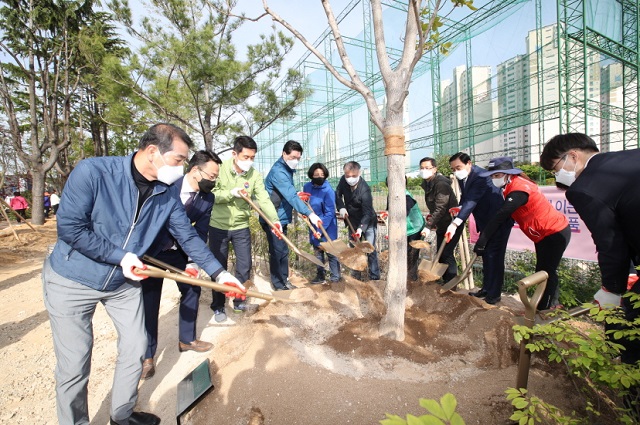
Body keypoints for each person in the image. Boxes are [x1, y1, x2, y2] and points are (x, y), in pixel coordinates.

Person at [42, 123, 245, 425]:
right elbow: (71, 228)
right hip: (73, 279)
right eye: (178, 160)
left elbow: (188, 237)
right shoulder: (94, 173)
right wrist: (119, 256)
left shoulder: (165, 192)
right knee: (75, 363)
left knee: (137, 347)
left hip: (121, 283)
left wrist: (219, 274)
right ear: (153, 152)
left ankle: (121, 415)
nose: (182, 168)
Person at [540, 133, 640, 415]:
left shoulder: (585, 187)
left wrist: (611, 289)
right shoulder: (630, 157)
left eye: (555, 168)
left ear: (573, 156)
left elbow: (610, 243)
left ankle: (631, 406)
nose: (557, 175)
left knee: (630, 333)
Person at [141, 150, 222, 380]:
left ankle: (187, 339)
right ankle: (147, 356)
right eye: (212, 176)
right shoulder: (166, 185)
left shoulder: (208, 198)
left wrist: (193, 262)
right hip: (153, 251)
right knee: (149, 299)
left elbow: (200, 231)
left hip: (180, 251)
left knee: (192, 288)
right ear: (195, 170)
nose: (213, 181)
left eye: (216, 178)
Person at [474, 157, 570, 310]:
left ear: (508, 174)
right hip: (542, 234)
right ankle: (551, 304)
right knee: (544, 269)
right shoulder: (511, 185)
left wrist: (483, 239)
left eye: (497, 175)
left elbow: (501, 215)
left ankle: (546, 308)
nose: (494, 179)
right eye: (492, 176)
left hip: (554, 231)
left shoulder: (519, 189)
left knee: (546, 271)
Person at [209, 136, 280, 321]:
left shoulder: (254, 175)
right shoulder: (220, 169)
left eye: (252, 157)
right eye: (246, 157)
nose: (249, 161)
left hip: (241, 227)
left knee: (244, 266)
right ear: (235, 154)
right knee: (218, 267)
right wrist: (229, 194)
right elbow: (211, 195)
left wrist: (275, 220)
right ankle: (218, 305)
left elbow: (263, 199)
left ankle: (239, 301)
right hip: (219, 226)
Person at [448, 152, 513, 304]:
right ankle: (486, 289)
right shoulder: (465, 177)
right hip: (486, 223)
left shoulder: (481, 176)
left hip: (498, 222)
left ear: (469, 163)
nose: (456, 171)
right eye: (453, 169)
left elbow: (472, 201)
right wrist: (459, 207)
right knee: (486, 256)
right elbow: (465, 198)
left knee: (494, 257)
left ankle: (494, 294)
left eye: (458, 167)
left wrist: (456, 222)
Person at [262, 140, 321, 290]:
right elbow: (290, 196)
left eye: (298, 158)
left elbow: (288, 192)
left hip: (281, 216)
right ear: (284, 154)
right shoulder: (279, 171)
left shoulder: (286, 169)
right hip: (273, 218)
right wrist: (310, 213)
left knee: (282, 250)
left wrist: (297, 194)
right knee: (277, 250)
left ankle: (284, 280)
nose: (296, 161)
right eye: (293, 157)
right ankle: (279, 284)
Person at [335, 161, 380, 281]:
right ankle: (356, 276)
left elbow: (368, 212)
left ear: (359, 173)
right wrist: (341, 207)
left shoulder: (365, 190)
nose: (350, 179)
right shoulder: (343, 181)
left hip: (368, 222)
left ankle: (374, 277)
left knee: (370, 249)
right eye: (347, 176)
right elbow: (337, 195)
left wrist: (360, 229)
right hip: (351, 220)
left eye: (353, 176)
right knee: (354, 249)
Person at [419, 157, 462, 283]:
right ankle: (444, 279)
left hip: (452, 224)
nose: (424, 170)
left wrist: (428, 225)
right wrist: (432, 219)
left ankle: (451, 283)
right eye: (422, 168)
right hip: (442, 224)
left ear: (435, 169)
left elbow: (441, 207)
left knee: (446, 253)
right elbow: (435, 207)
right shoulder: (428, 183)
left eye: (427, 168)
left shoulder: (441, 183)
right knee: (441, 253)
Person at [303, 163, 341, 284]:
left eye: (322, 174)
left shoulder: (328, 190)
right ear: (311, 175)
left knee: (331, 250)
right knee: (318, 250)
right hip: (313, 223)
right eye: (316, 174)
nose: (319, 176)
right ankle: (320, 275)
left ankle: (335, 277)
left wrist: (320, 229)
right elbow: (305, 204)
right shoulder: (307, 187)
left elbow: (330, 212)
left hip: (327, 225)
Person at [382, 176, 426, 281]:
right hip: (404, 229)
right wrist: (386, 214)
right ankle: (401, 279)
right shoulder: (391, 195)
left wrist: (393, 229)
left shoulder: (407, 197)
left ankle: (412, 280)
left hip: (415, 228)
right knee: (402, 254)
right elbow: (389, 210)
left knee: (412, 255)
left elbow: (402, 214)